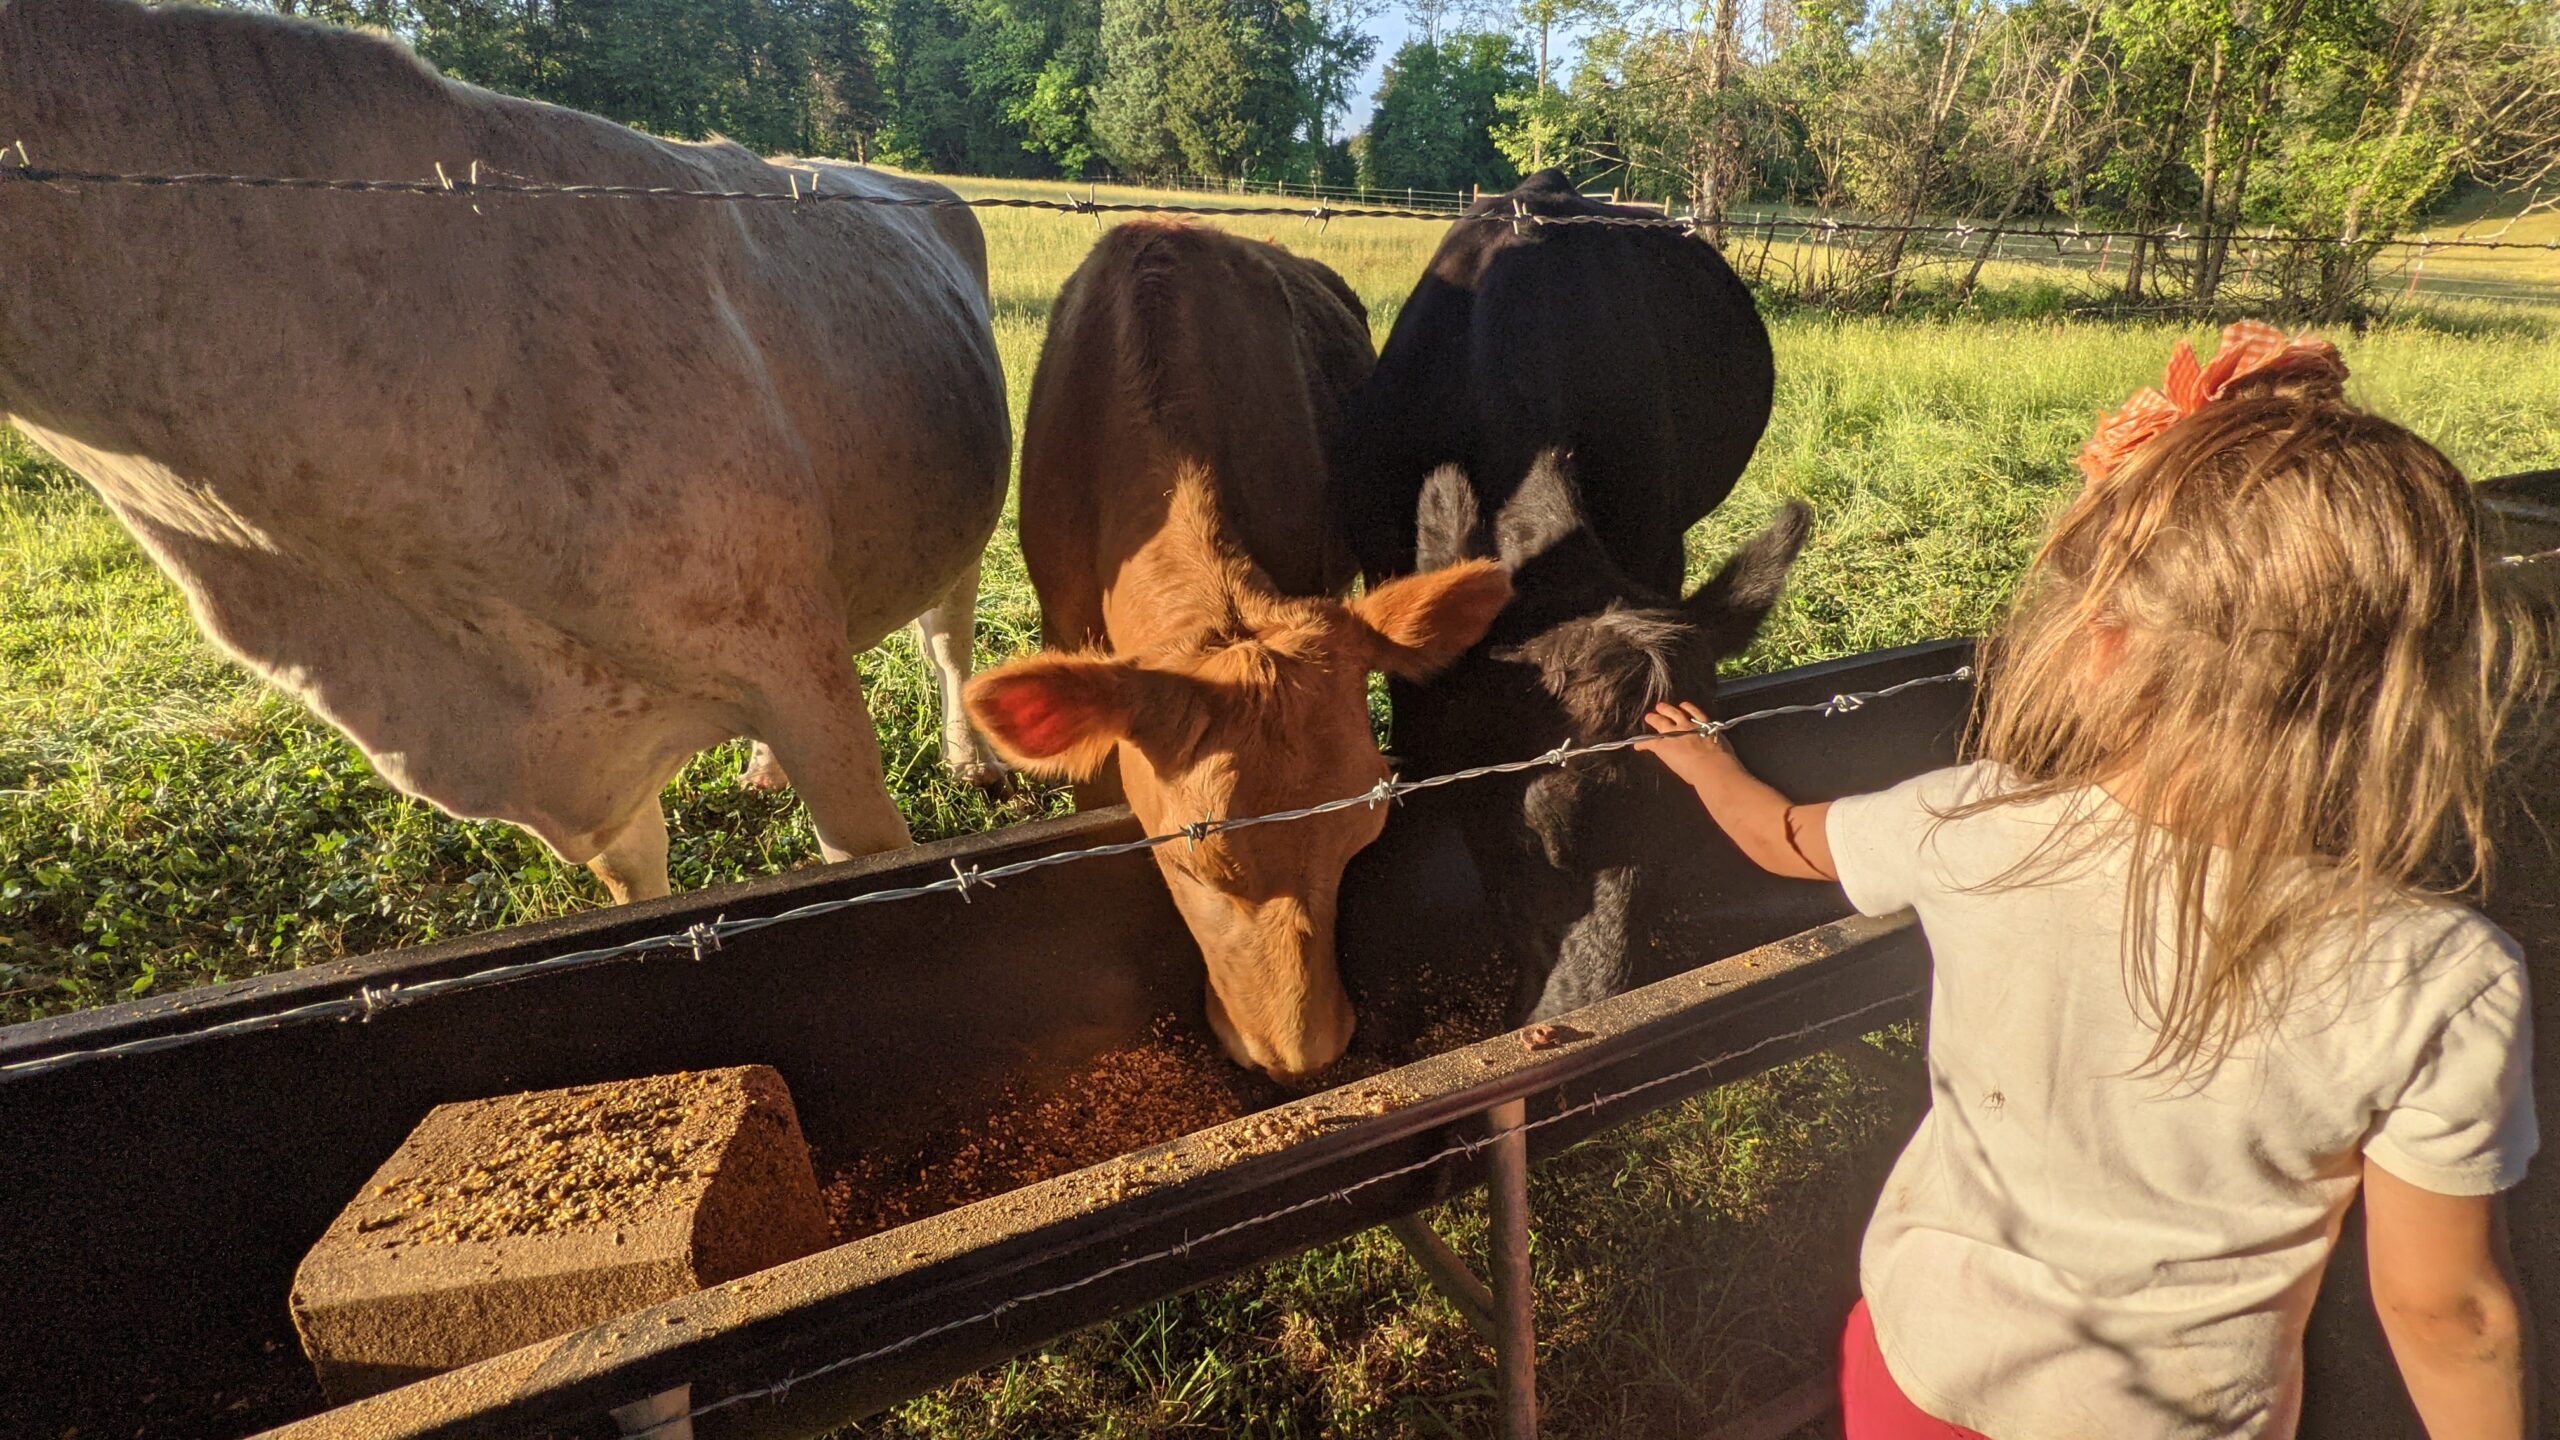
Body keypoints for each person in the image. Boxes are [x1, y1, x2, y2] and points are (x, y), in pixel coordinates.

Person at [1639, 323, 2542, 1439]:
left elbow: (1782, 838)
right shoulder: (2437, 975)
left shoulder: (1969, 820)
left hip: (1918, 1363)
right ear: (2430, 674)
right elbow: (2445, 1310)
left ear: (2101, 644)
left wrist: (1701, 759)